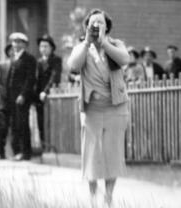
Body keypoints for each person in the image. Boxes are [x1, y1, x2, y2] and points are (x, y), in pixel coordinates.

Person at [67, 8, 130, 207]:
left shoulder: (115, 44)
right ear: (86, 27)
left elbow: (124, 59)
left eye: (100, 22)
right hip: (92, 108)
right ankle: (93, 196)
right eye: (92, 23)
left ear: (107, 26)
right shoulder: (82, 47)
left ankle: (108, 196)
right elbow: (73, 65)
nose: (96, 26)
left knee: (113, 152)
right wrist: (87, 42)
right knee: (92, 153)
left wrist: (103, 42)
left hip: (115, 107)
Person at [7, 32, 37, 161]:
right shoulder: (13, 57)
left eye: (19, 42)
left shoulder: (29, 58)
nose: (16, 44)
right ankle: (16, 151)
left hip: (22, 97)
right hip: (12, 97)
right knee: (14, 124)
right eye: (14, 42)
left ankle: (26, 152)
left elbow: (30, 79)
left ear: (24, 44)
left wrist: (23, 95)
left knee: (23, 124)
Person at [34, 34, 62, 149]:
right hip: (39, 97)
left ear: (51, 48)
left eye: (46, 46)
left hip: (51, 95)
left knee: (51, 122)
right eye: (41, 46)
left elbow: (55, 77)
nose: (43, 49)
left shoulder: (56, 60)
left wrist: (45, 91)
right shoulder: (38, 61)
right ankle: (43, 146)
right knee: (41, 122)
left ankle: (52, 147)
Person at [0, 44, 14, 160]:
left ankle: (14, 152)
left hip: (15, 102)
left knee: (15, 128)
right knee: (2, 128)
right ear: (7, 52)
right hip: (2, 101)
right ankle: (0, 152)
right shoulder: (1, 65)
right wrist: (5, 94)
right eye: (10, 50)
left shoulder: (20, 64)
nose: (13, 52)